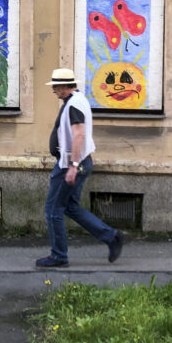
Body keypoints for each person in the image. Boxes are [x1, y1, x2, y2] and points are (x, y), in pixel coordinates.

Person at [37, 67, 124, 268]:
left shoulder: (73, 105)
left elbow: (79, 135)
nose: (53, 90)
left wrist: (73, 166)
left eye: (56, 86)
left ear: (65, 86)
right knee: (69, 207)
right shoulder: (77, 100)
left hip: (71, 164)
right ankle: (112, 237)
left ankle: (59, 256)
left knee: (53, 210)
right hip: (79, 162)